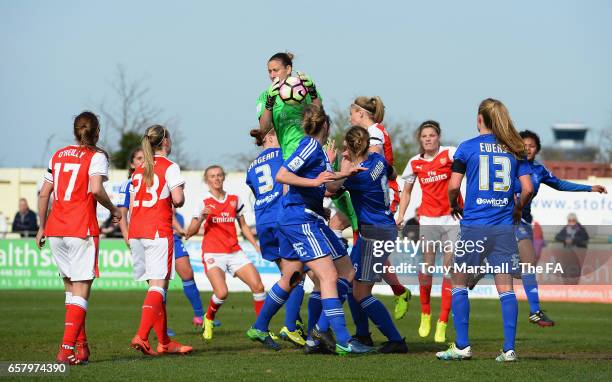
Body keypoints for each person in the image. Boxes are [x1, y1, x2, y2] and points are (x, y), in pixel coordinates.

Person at [247, 104, 374, 355]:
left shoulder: (318, 152)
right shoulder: (309, 146)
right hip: (300, 218)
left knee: (333, 271)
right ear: (325, 125)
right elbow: (282, 175)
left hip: (310, 217)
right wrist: (315, 180)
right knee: (327, 276)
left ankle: (260, 326)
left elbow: (329, 189)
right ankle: (341, 339)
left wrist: (345, 172)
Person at [436, 98, 533, 362]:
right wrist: (517, 209)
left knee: (458, 281)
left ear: (480, 119)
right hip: (503, 227)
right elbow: (528, 188)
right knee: (506, 288)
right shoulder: (515, 149)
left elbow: (454, 186)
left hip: (475, 226)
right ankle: (509, 349)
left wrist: (454, 203)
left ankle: (462, 346)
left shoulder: (467, 148)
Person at [35, 111, 122, 364]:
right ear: (97, 132)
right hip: (80, 228)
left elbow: (44, 194)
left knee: (71, 291)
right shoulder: (96, 156)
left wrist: (42, 227)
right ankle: (65, 350)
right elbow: (96, 189)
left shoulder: (58, 155)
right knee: (82, 291)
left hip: (56, 230)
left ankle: (81, 347)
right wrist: (114, 210)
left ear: (75, 131)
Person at [513, 130, 605, 326]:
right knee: (514, 264)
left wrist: (589, 188)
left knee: (527, 265)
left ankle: (535, 311)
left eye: (532, 145)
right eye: (524, 145)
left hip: (523, 221)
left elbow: (560, 184)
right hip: (502, 220)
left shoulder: (539, 170)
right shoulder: (507, 165)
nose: (527, 148)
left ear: (537, 150)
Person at [334, 126, 408, 353]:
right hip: (374, 230)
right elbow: (393, 173)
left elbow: (330, 189)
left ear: (350, 146)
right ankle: (363, 335)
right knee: (350, 282)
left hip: (377, 233)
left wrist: (341, 164)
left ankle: (396, 340)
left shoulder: (359, 177)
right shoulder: (378, 159)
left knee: (360, 292)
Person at [347, 96, 412, 323]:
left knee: (365, 246)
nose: (349, 118)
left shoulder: (373, 132)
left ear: (361, 114)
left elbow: (376, 170)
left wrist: (347, 171)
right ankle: (396, 290)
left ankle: (394, 291)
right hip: (378, 193)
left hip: (383, 196)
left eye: (352, 113)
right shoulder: (376, 130)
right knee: (365, 250)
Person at [128, 125, 192, 356]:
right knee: (158, 288)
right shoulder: (169, 167)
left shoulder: (139, 169)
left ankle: (164, 342)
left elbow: (133, 203)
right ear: (165, 141)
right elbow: (178, 200)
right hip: (157, 231)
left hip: (136, 232)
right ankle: (142, 336)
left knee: (156, 292)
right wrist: (180, 192)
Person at [396, 120, 460, 343]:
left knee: (450, 270)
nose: (428, 139)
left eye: (432, 135)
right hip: (429, 220)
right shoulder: (414, 163)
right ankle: (425, 313)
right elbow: (406, 192)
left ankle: (442, 321)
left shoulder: (450, 154)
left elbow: (468, 165)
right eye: (424, 136)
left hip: (452, 220)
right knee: (427, 268)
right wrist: (401, 214)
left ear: (438, 136)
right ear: (420, 139)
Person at [185, 165, 265, 342]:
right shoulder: (203, 201)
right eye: (212, 176)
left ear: (224, 177)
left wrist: (256, 245)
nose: (217, 178)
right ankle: (209, 318)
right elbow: (189, 232)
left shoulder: (234, 199)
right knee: (221, 293)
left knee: (258, 287)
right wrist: (202, 218)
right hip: (213, 252)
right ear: (207, 180)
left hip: (234, 251)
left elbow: (243, 226)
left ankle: (261, 328)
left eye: (219, 175)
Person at [246, 128, 306, 346]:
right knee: (297, 274)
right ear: (270, 137)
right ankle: (287, 327)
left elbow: (257, 192)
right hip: (282, 216)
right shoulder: (284, 153)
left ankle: (293, 323)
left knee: (288, 274)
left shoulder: (251, 167)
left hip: (263, 221)